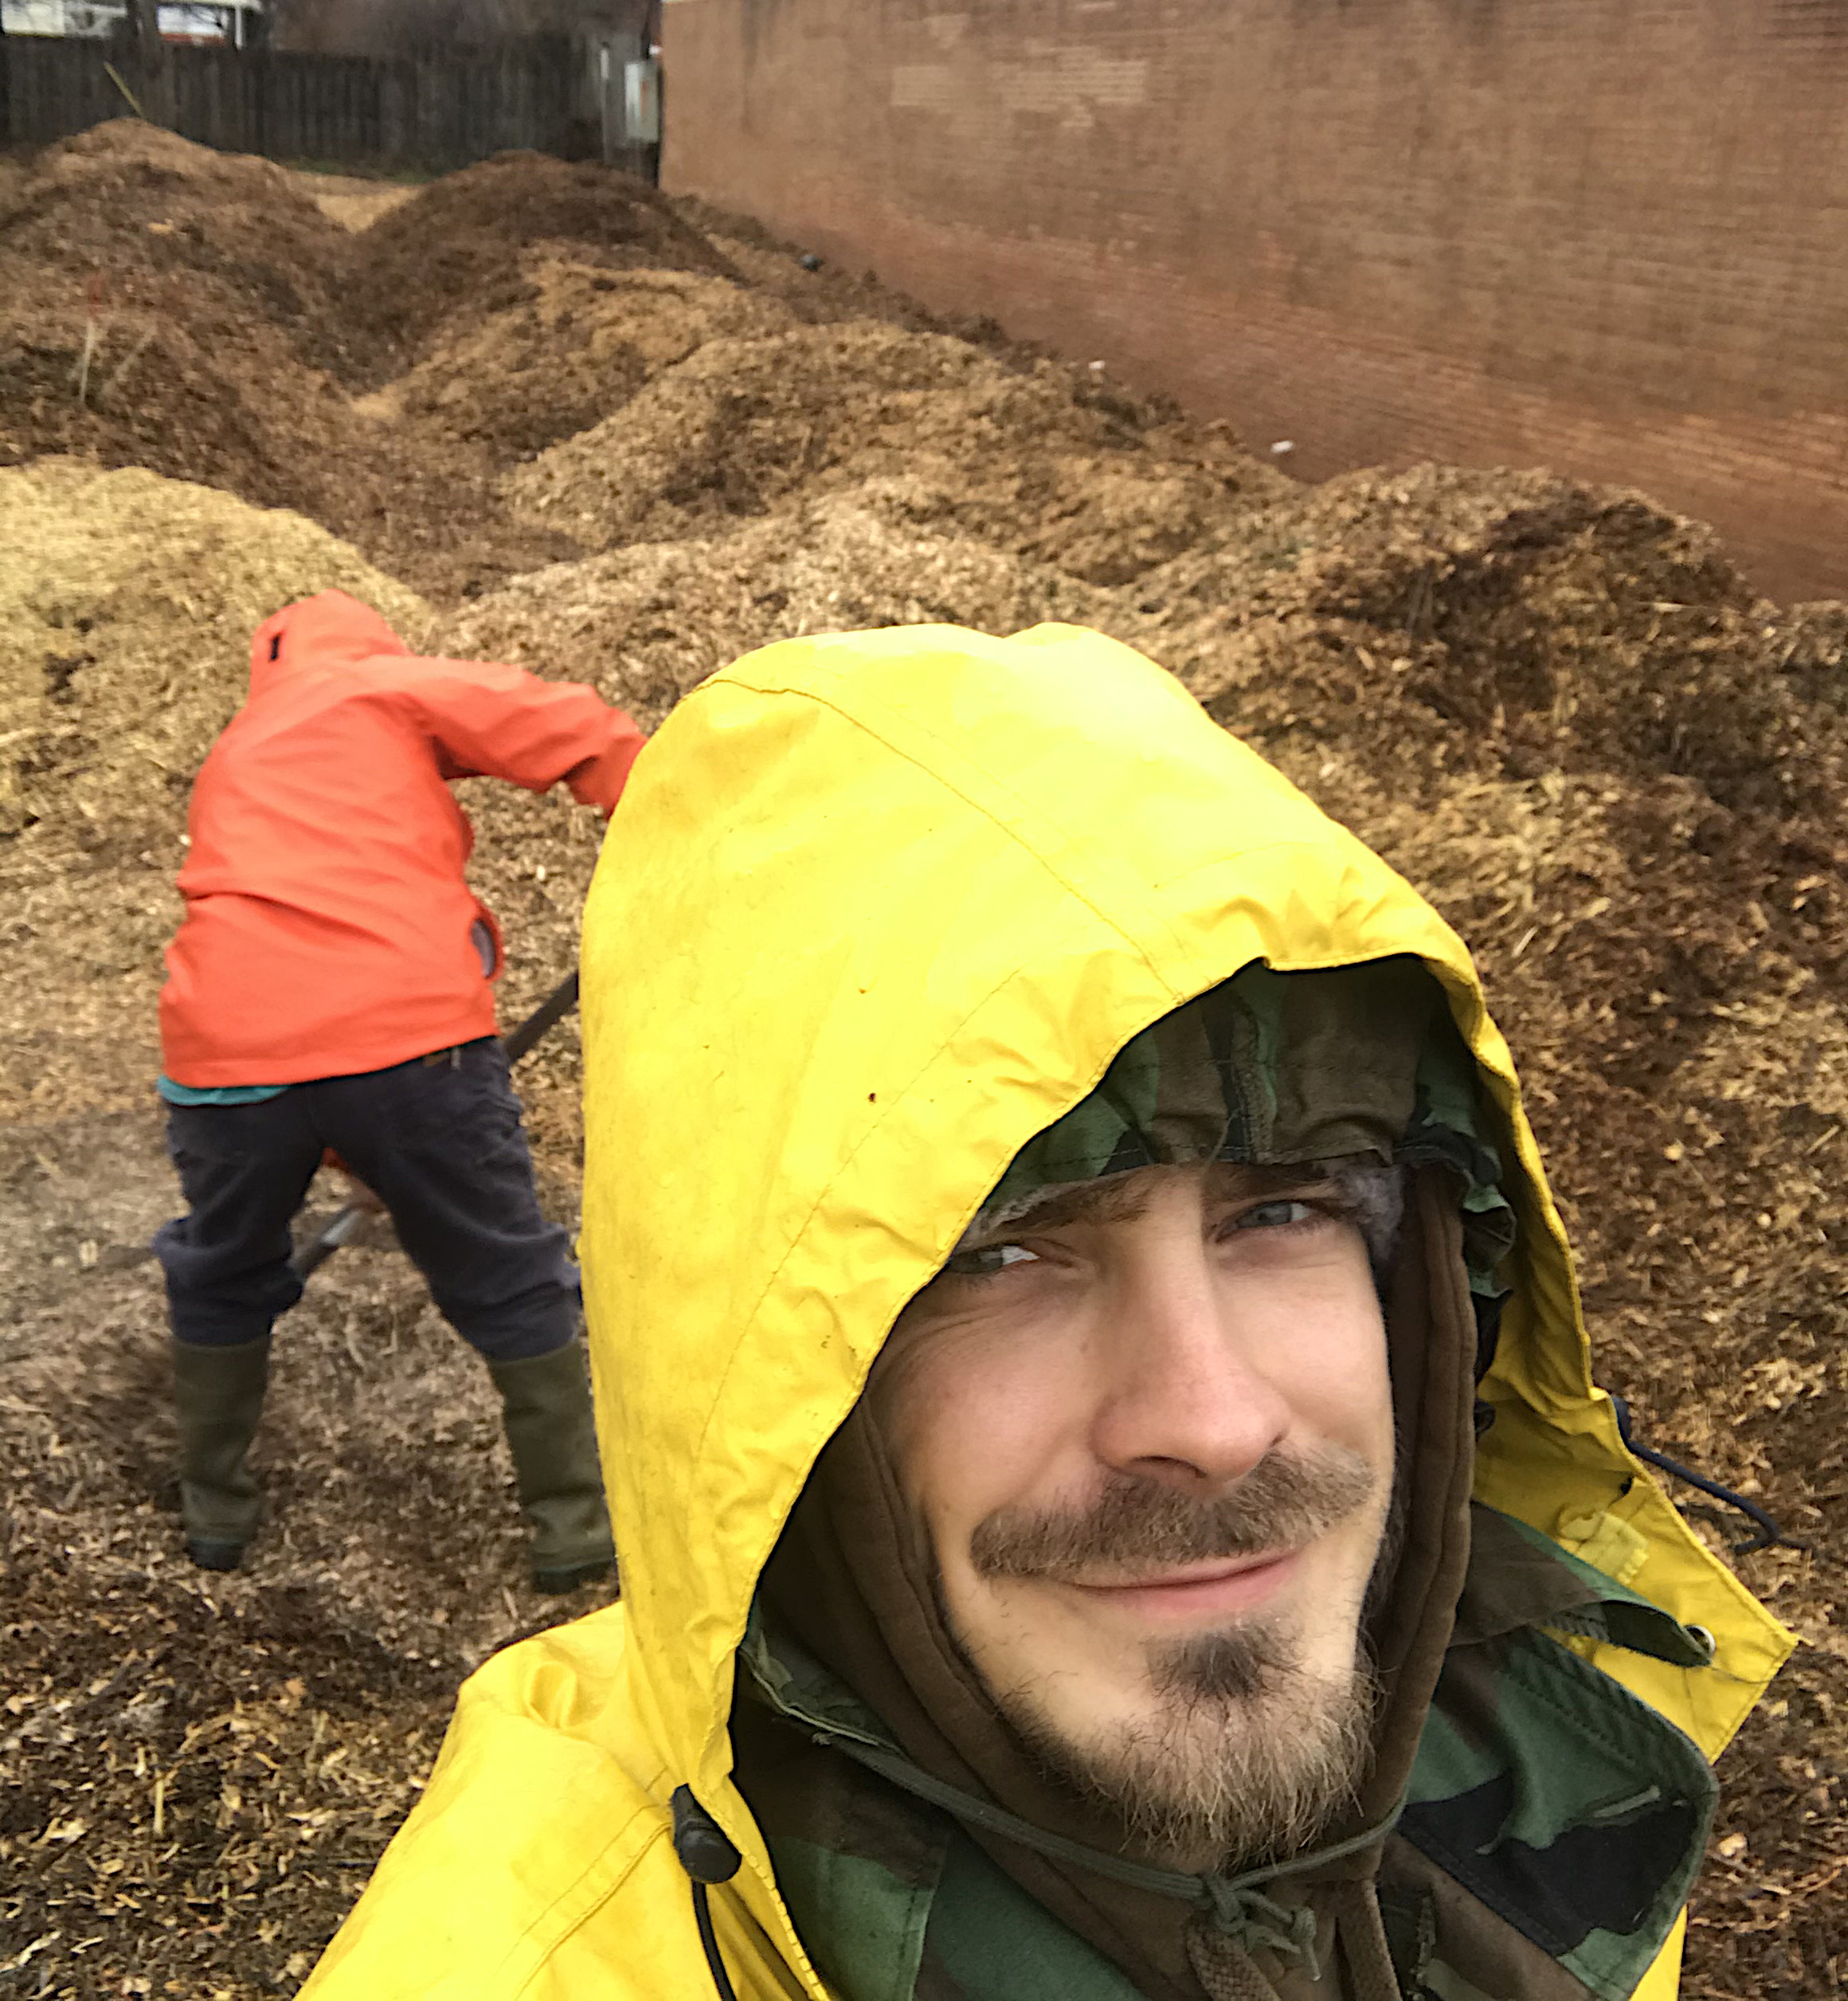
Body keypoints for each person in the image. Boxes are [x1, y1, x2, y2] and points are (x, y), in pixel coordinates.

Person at [301, 623, 1788, 1999]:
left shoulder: (1546, 1776)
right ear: (763, 1397)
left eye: (1284, 1213)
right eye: (1000, 1257)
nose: (1210, 1422)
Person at [155, 590, 644, 1593]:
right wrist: (650, 798)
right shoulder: (375, 683)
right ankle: (573, 1526)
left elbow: (290, 962)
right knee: (508, 1271)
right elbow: (561, 722)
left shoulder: (240, 750)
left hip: (223, 1055)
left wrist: (344, 1145)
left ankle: (215, 1512)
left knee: (221, 1270)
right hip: (408, 1043)